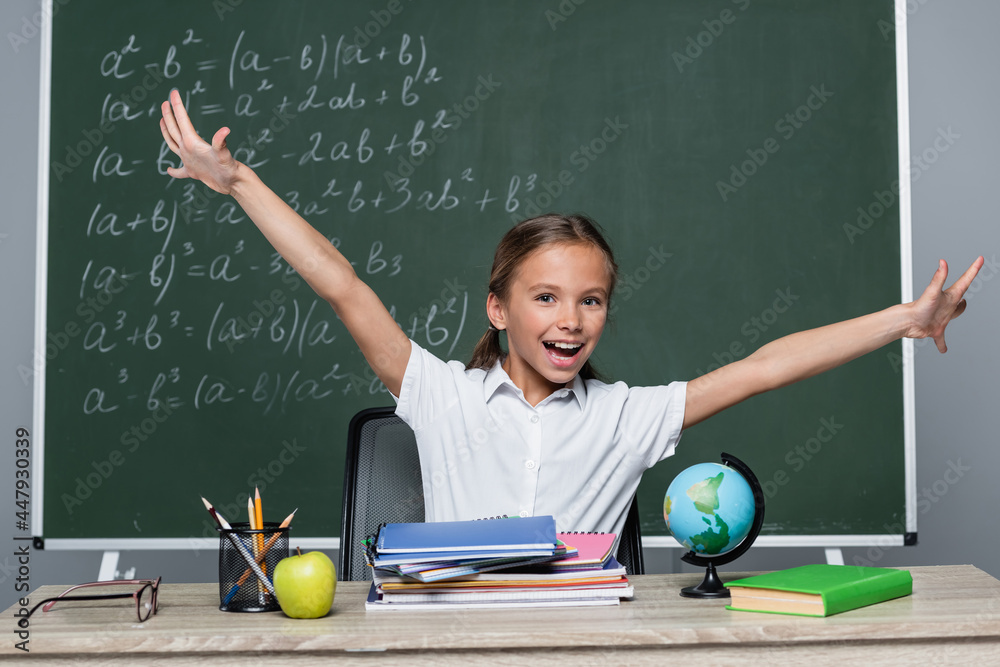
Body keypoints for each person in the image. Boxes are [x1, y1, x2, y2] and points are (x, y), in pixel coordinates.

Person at [159, 89, 984, 539]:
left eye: (591, 301)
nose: (571, 320)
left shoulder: (627, 418)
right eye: (546, 297)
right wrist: (238, 183)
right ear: (498, 306)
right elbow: (341, 283)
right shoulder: (439, 394)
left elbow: (765, 367)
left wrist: (903, 320)